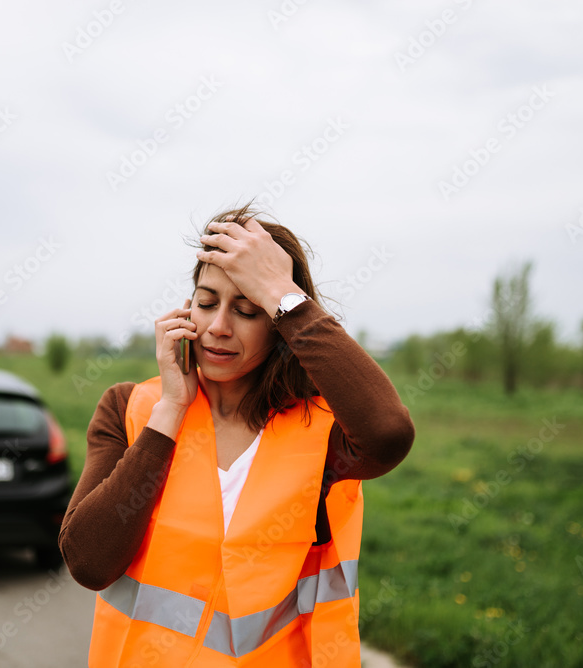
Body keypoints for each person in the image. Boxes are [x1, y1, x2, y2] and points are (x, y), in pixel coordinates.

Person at [59, 203, 415, 667]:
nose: (218, 327)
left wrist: (282, 293)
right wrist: (170, 412)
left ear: (277, 325)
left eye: (247, 309)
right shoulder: (130, 408)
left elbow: (388, 433)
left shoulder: (320, 433)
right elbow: (88, 563)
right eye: (206, 303)